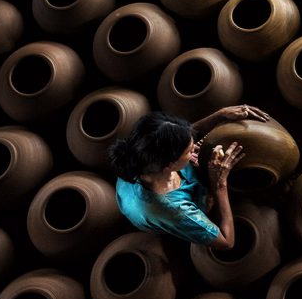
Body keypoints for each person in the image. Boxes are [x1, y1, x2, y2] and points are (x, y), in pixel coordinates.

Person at [108, 105, 270, 249]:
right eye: (189, 151)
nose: (193, 150)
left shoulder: (140, 156)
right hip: (160, 216)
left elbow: (176, 137)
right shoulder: (176, 210)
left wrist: (220, 114)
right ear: (170, 165)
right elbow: (227, 242)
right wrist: (219, 184)